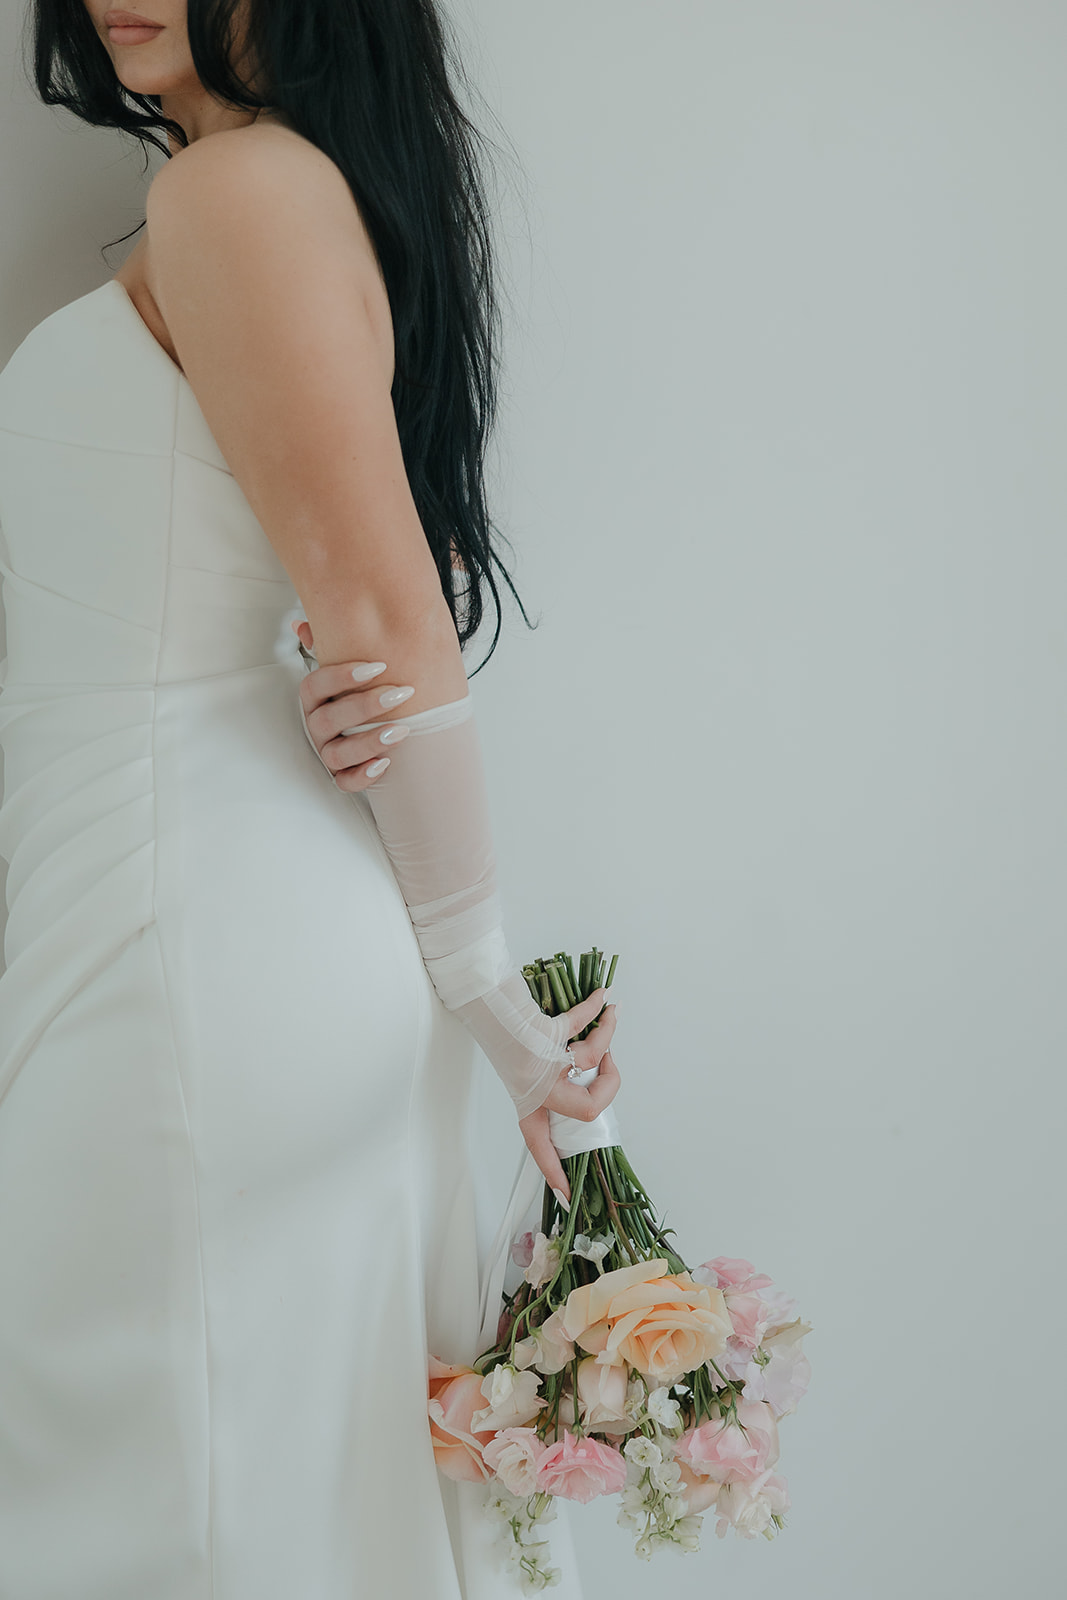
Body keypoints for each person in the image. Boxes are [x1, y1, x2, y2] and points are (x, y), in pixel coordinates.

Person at [0, 2, 621, 1595]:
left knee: (163, 1482)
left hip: (191, 936)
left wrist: (494, 992)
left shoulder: (240, 192)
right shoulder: (261, 186)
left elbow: (389, 616)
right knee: (232, 1476)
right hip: (189, 898)